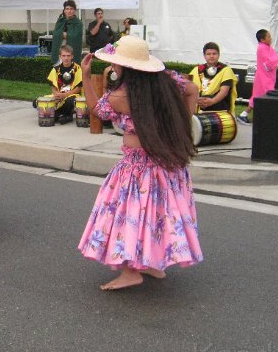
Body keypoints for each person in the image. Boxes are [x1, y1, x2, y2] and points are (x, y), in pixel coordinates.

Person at [77, 35, 203, 290]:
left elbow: (96, 110)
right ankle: (153, 262)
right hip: (167, 163)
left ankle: (130, 272)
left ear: (127, 68)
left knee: (126, 216)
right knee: (157, 214)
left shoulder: (121, 96)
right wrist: (181, 125)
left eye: (116, 64)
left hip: (138, 168)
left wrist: (87, 77)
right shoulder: (167, 82)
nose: (113, 68)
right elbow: (192, 90)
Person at [238, 29, 278, 124]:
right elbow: (269, 62)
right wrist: (276, 59)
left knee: (259, 97)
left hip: (266, 77)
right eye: (268, 37)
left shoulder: (266, 47)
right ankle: (248, 115)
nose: (271, 38)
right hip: (263, 78)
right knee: (262, 97)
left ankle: (245, 115)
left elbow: (272, 60)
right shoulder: (262, 48)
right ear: (262, 39)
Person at [189, 42, 238, 114]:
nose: (211, 56)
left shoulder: (226, 70)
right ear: (204, 56)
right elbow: (188, 88)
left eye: (214, 54)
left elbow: (224, 91)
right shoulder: (196, 70)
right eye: (208, 54)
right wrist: (196, 100)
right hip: (198, 109)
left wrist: (212, 101)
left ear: (219, 55)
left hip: (219, 110)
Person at [44, 44, 83, 125]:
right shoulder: (55, 69)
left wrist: (65, 95)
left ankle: (63, 115)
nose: (66, 58)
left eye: (68, 56)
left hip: (72, 95)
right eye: (64, 55)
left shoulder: (77, 68)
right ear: (60, 56)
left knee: (70, 101)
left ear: (72, 56)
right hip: (59, 94)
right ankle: (60, 115)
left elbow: (78, 88)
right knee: (38, 101)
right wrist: (56, 94)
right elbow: (53, 86)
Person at [50, 0, 83, 64]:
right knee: (58, 71)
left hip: (72, 51)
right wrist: (63, 34)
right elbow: (55, 34)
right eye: (67, 9)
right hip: (60, 51)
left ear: (75, 10)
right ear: (64, 10)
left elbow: (76, 37)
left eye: (71, 9)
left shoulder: (78, 23)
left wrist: (64, 35)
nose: (69, 11)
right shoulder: (60, 21)